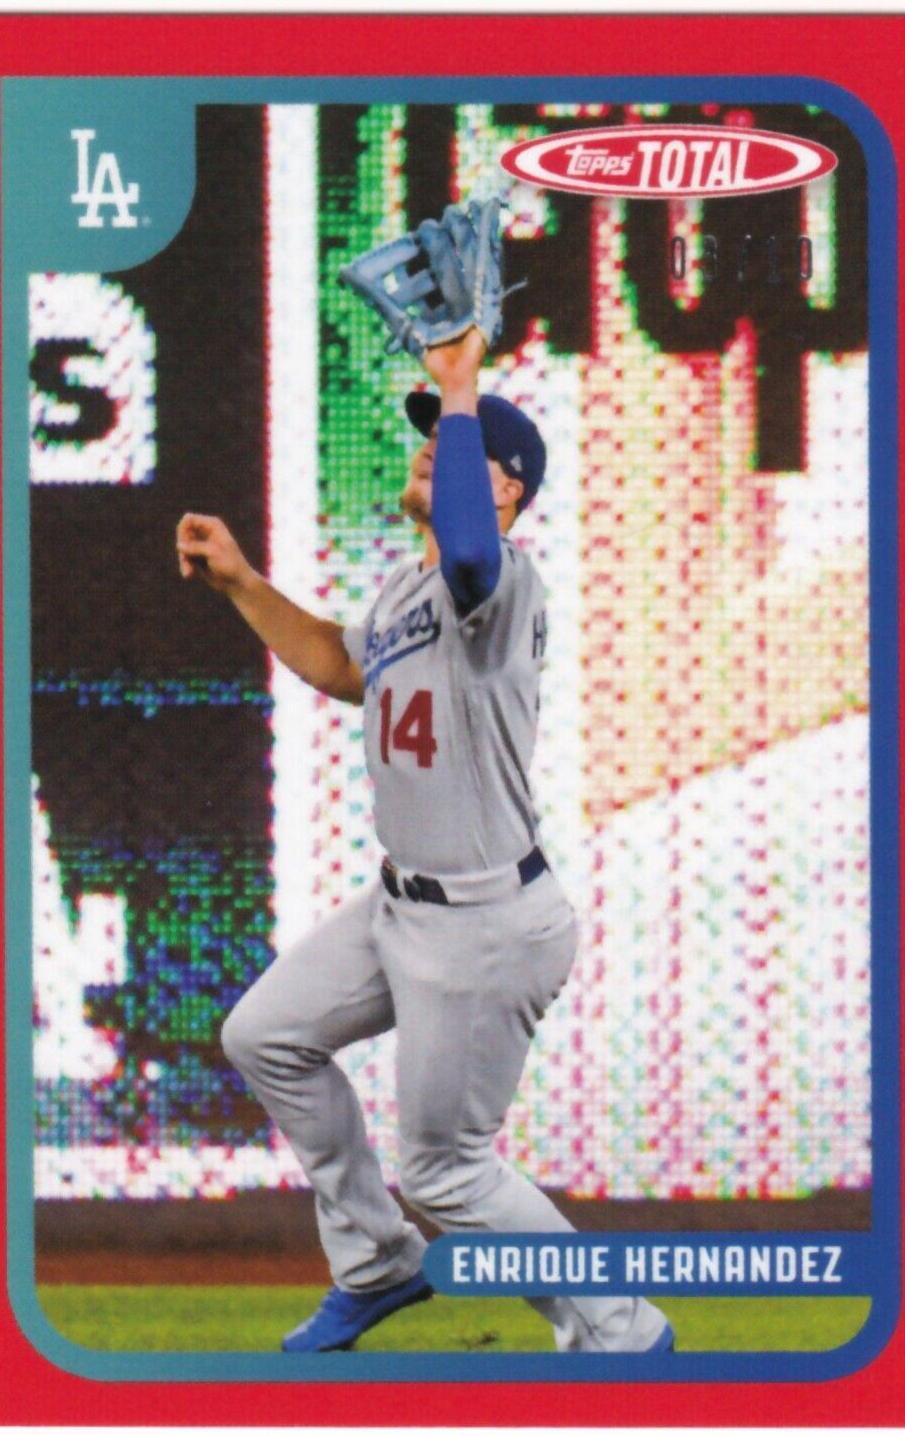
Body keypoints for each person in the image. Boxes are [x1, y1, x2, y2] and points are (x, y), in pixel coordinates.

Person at [175, 328, 673, 1355]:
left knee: (448, 1171)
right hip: (401, 904)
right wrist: (240, 582)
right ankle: (377, 1261)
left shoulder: (500, 582)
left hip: (485, 921)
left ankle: (623, 1334)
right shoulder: (410, 589)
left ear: (505, 489)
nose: (429, 446)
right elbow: (337, 662)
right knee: (265, 1035)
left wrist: (460, 389)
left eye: (456, 446)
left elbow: (473, 553)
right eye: (434, 436)